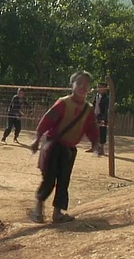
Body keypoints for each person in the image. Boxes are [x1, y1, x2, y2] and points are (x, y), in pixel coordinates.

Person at [28, 71, 99, 224]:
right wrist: (36, 139)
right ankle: (38, 209)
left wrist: (95, 143)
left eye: (86, 85)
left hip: (69, 150)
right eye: (79, 83)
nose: (82, 87)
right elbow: (47, 120)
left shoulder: (88, 109)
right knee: (49, 178)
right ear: (72, 85)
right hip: (54, 146)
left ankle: (57, 213)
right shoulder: (63, 103)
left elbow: (92, 128)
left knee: (64, 181)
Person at [86, 82, 109, 155]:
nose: (99, 89)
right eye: (98, 87)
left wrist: (105, 118)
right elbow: (93, 105)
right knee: (93, 130)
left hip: (102, 116)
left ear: (105, 89)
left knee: (102, 131)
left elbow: (106, 109)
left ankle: (102, 149)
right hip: (95, 115)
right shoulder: (96, 96)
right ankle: (93, 147)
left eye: (101, 87)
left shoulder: (107, 98)